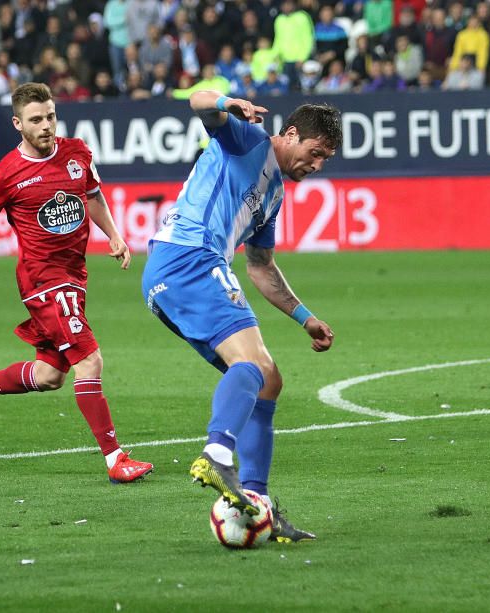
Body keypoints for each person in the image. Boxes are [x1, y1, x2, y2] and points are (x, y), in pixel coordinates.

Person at [140, 93, 340, 542]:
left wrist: (304, 317)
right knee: (250, 366)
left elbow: (261, 266)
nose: (318, 165)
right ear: (291, 135)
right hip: (188, 259)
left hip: (188, 270)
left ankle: (257, 506)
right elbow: (198, 102)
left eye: (326, 158)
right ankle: (216, 453)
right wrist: (230, 104)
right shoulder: (246, 140)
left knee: (267, 378)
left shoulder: (274, 194)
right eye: (315, 153)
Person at [0, 83, 153, 484]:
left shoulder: (77, 153)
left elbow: (92, 195)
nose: (46, 126)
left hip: (74, 275)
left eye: (51, 116)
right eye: (36, 119)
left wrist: (113, 234)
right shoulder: (3, 173)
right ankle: (115, 460)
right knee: (89, 360)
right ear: (17, 123)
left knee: (49, 375)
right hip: (43, 280)